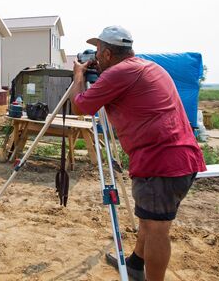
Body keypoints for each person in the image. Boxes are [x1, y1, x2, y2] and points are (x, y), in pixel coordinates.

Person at [69, 26, 206, 281]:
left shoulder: (118, 74)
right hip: (181, 158)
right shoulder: (149, 67)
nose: (95, 58)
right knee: (148, 219)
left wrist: (79, 76)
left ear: (108, 53)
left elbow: (80, 106)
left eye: (98, 52)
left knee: (156, 230)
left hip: (161, 164)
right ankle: (134, 264)